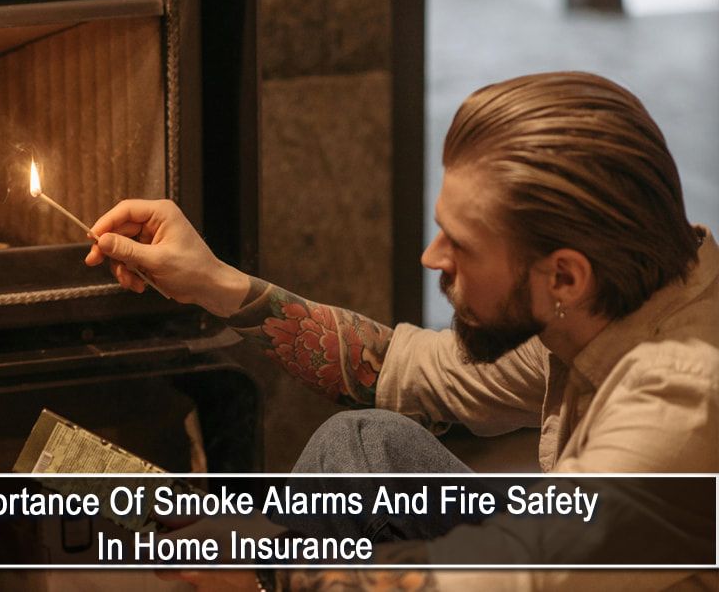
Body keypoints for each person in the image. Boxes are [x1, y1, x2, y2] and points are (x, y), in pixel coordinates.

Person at [83, 72, 718, 591]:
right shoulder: (603, 302)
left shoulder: (681, 400)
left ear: (565, 278)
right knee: (365, 445)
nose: (432, 257)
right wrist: (212, 283)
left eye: (461, 244)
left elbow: (516, 575)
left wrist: (267, 570)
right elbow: (407, 372)